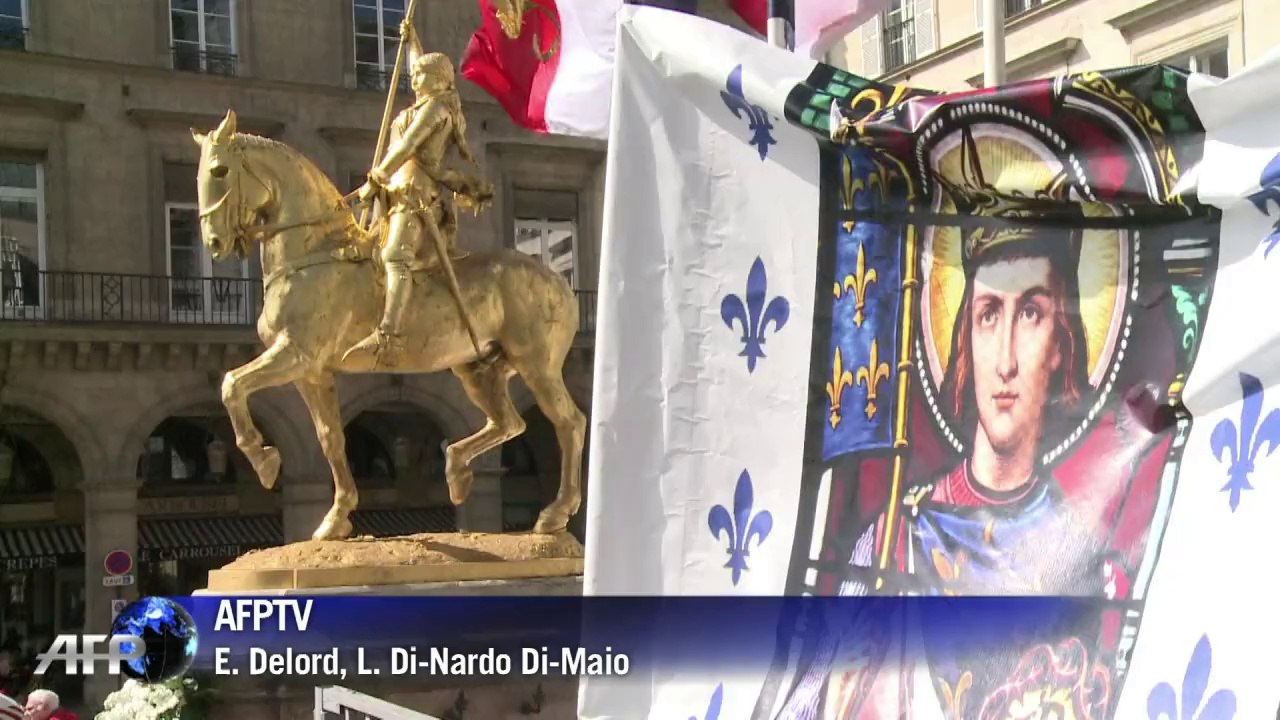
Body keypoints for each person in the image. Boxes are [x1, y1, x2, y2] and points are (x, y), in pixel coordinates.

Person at [343, 17, 492, 369]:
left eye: (421, 77)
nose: (414, 79)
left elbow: (409, 145)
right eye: (414, 75)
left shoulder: (438, 110)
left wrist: (377, 175)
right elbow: (418, 67)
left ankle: (388, 336)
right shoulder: (424, 102)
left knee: (396, 255)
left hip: (416, 195)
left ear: (439, 80)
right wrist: (413, 41)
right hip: (395, 193)